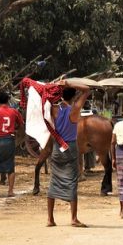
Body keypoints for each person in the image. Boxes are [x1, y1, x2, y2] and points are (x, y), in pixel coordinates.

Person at [47, 80, 90, 228]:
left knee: (53, 181)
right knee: (72, 181)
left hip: (57, 147)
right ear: (73, 97)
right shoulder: (75, 110)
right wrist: (69, 83)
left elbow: (45, 96)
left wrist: (57, 86)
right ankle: (73, 218)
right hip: (70, 147)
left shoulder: (54, 109)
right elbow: (87, 90)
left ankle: (50, 219)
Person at [0, 91, 24, 198]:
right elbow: (21, 125)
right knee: (10, 166)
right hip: (10, 140)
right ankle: (10, 191)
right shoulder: (14, 112)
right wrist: (17, 132)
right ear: (8, 100)